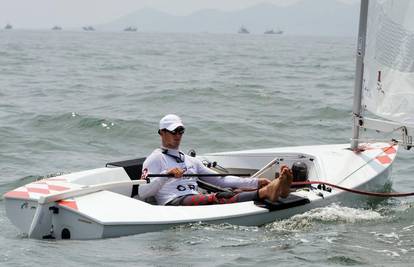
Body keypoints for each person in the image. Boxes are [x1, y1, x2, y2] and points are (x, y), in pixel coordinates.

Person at [138, 114, 293, 206]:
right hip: (173, 203)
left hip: (193, 199)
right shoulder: (155, 159)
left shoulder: (191, 161)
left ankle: (277, 189)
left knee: (229, 191)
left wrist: (255, 182)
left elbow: (220, 180)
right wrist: (167, 175)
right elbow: (143, 193)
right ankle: (268, 192)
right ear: (162, 133)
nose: (178, 136)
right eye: (174, 132)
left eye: (181, 131)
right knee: (215, 197)